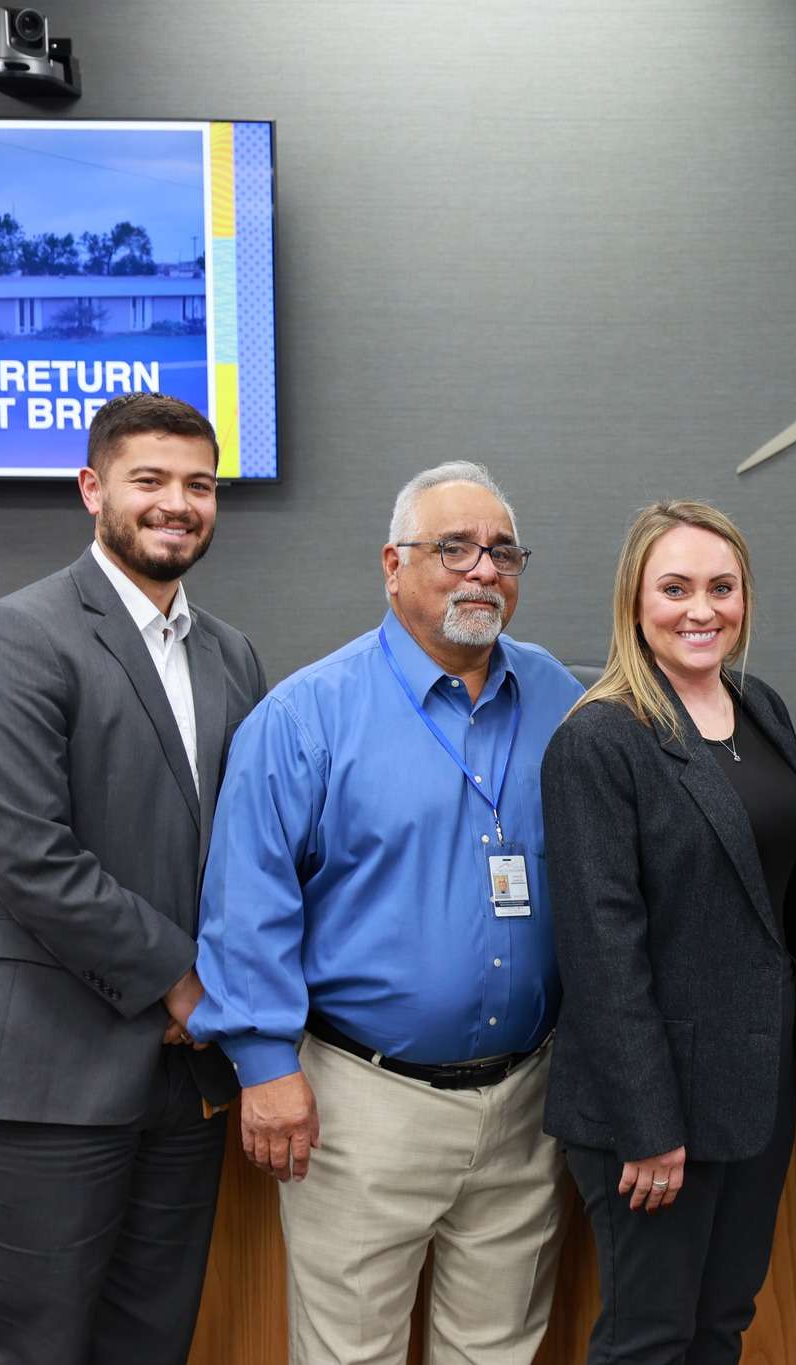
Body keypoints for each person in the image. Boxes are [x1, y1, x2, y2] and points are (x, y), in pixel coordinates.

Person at [186, 460, 583, 1364]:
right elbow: (246, 902)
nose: (484, 570)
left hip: (527, 1098)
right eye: (454, 548)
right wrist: (262, 1064)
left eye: (503, 551)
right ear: (392, 565)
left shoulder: (562, 699)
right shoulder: (305, 717)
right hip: (361, 1102)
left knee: (497, 1349)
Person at [0, 393, 266, 1363]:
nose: (177, 503)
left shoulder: (231, 654)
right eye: (148, 480)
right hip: (47, 1071)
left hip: (182, 1074)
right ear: (91, 488)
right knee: (31, 1347)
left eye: (198, 484)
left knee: (149, 1343)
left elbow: (247, 846)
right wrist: (183, 981)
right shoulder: (15, 635)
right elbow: (30, 854)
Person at [540, 499, 796, 1363]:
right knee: (649, 1339)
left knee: (721, 1326)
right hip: (652, 1104)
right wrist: (648, 1123)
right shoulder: (599, 737)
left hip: (753, 1088)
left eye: (721, 587)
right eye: (675, 588)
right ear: (634, 600)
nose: (702, 609)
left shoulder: (759, 706)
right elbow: (601, 947)